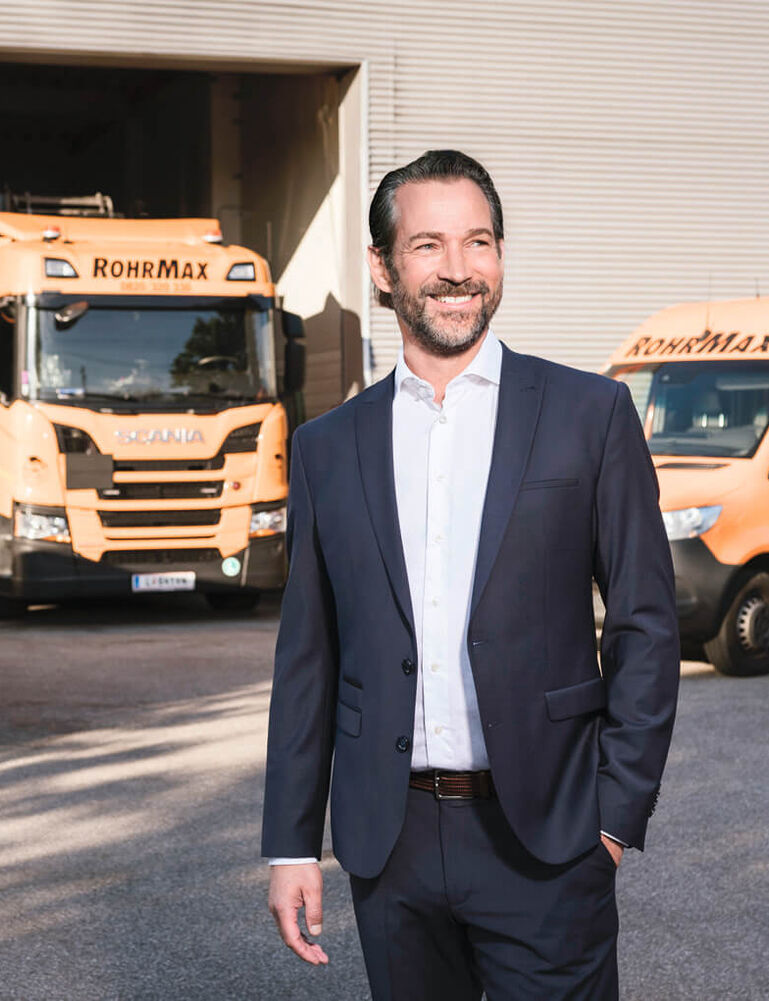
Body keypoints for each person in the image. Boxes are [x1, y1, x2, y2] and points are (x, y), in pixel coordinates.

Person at [261, 149, 678, 1000]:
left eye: (478, 242)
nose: (458, 270)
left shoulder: (589, 416)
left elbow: (644, 621)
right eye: (428, 245)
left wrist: (612, 817)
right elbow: (309, 657)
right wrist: (293, 843)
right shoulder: (327, 450)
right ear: (381, 267)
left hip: (549, 839)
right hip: (392, 844)